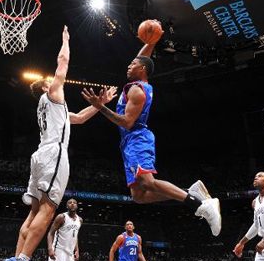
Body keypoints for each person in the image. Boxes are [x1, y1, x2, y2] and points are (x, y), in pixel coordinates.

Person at [1, 25, 116, 261]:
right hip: (54, 154)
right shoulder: (52, 93)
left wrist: (100, 105)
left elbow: (79, 118)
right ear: (46, 87)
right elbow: (62, 63)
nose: (56, 81)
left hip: (41, 156)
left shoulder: (53, 108)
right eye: (51, 81)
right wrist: (65, 40)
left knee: (34, 213)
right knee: (49, 209)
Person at [81, 21, 221, 236]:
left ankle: (199, 204)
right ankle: (190, 193)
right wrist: (152, 41)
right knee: (138, 196)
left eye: (132, 65)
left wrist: (100, 107)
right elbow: (142, 58)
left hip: (137, 138)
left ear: (142, 70)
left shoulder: (137, 90)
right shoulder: (138, 80)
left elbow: (127, 122)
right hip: (128, 142)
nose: (128, 66)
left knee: (147, 182)